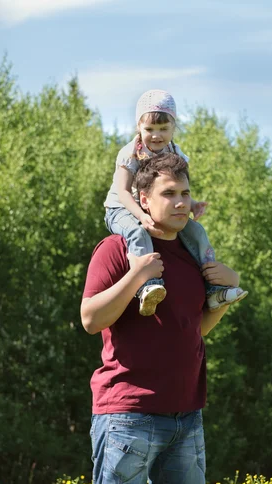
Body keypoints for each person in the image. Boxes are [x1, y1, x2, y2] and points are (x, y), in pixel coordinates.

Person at [79, 153, 241, 484]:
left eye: (186, 193)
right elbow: (91, 318)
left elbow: (196, 328)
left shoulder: (191, 255)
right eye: (169, 194)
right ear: (142, 200)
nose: (180, 202)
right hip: (126, 418)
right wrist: (137, 276)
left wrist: (226, 293)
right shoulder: (117, 249)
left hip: (186, 417)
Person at [104, 88, 247, 317]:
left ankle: (214, 288)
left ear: (174, 127)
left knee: (197, 232)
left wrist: (193, 204)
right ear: (138, 127)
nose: (156, 135)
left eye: (163, 128)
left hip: (154, 209)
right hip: (123, 208)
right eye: (149, 129)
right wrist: (141, 217)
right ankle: (147, 286)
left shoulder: (174, 153)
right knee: (138, 234)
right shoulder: (131, 152)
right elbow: (122, 192)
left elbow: (175, 189)